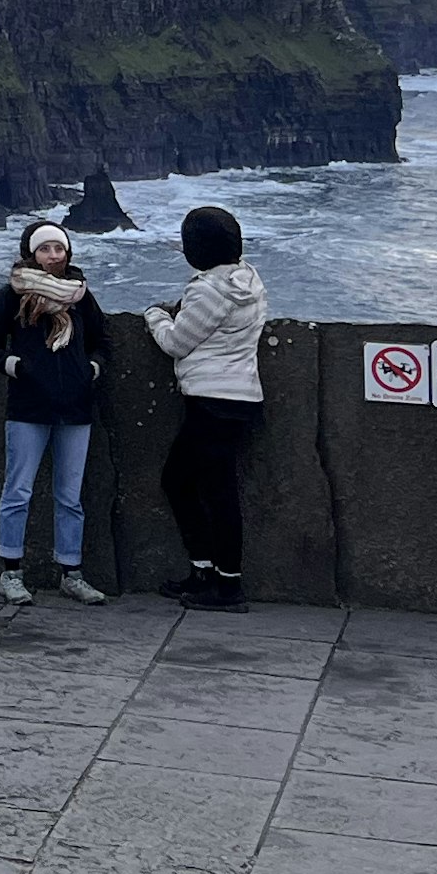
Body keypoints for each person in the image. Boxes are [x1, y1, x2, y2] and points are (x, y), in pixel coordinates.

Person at [0, 222, 110, 607]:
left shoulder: (82, 298)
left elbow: (103, 341)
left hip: (75, 407)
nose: (54, 256)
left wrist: (92, 369)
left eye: (60, 248)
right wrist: (16, 367)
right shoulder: (10, 296)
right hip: (28, 406)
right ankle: (11, 573)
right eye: (45, 249)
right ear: (31, 254)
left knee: (70, 496)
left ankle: (72, 573)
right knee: (17, 492)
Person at [148, 205, 268, 609]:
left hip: (210, 400)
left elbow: (176, 343)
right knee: (201, 485)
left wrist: (155, 317)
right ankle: (206, 573)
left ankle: (225, 584)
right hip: (241, 395)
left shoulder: (207, 289)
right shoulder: (248, 279)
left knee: (198, 487)